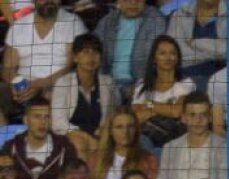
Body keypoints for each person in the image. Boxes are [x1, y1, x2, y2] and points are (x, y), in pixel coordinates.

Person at [2, 0, 86, 112]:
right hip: (24, 86)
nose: (49, 1)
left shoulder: (73, 23)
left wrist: (40, 85)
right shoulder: (19, 26)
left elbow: (70, 66)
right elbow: (8, 68)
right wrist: (16, 85)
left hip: (57, 84)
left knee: (56, 92)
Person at [50, 34, 120, 165]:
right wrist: (87, 138)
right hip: (70, 135)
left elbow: (114, 117)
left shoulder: (108, 83)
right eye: (86, 52)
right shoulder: (63, 83)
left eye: (96, 52)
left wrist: (102, 137)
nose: (91, 56)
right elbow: (58, 123)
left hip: (101, 136)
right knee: (79, 143)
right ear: (75, 57)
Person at [2, 97, 77, 179]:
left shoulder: (65, 148)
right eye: (37, 116)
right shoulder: (10, 148)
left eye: (47, 117)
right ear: (26, 120)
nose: (43, 122)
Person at [131, 35, 197, 149]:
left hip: (174, 136)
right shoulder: (142, 85)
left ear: (177, 58)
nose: (168, 58)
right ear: (154, 58)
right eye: (163, 53)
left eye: (172, 53)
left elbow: (176, 111)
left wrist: (148, 104)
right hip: (147, 135)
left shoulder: (185, 84)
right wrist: (166, 107)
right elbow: (136, 117)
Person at [92, 0, 167, 99]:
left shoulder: (156, 19)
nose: (133, 3)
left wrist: (140, 85)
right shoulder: (107, 21)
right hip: (109, 83)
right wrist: (101, 84)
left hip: (142, 83)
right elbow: (96, 54)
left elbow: (156, 60)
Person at [90, 108, 160, 179]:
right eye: (119, 127)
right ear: (110, 131)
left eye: (130, 126)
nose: (125, 132)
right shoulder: (96, 158)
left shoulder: (148, 160)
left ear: (136, 130)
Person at [165, 0, 229, 90]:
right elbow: (175, 52)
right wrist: (215, 55)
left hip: (221, 81)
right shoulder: (179, 14)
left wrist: (195, 43)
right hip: (182, 79)